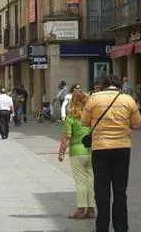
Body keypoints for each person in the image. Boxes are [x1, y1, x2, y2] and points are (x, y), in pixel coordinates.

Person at [81, 75, 141, 232]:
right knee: (120, 190)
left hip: (100, 149)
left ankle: (102, 227)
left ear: (104, 85)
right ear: (119, 86)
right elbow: (137, 124)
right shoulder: (128, 100)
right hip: (122, 148)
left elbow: (84, 121)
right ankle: (121, 227)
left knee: (101, 190)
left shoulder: (94, 99)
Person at [58, 90, 94, 220]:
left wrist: (61, 153)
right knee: (91, 180)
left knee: (80, 182)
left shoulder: (71, 117)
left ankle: (80, 208)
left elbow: (66, 137)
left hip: (77, 152)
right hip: (92, 151)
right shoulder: (92, 116)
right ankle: (91, 209)